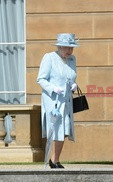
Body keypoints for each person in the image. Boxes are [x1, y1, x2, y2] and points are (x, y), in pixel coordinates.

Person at [37, 33, 79, 169]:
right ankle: (53, 161)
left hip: (66, 100)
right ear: (59, 47)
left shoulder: (72, 59)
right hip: (52, 100)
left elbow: (71, 77)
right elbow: (41, 79)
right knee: (55, 129)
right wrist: (53, 88)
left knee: (65, 128)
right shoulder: (49, 57)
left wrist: (74, 85)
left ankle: (55, 159)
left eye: (71, 48)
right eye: (67, 48)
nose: (70, 51)